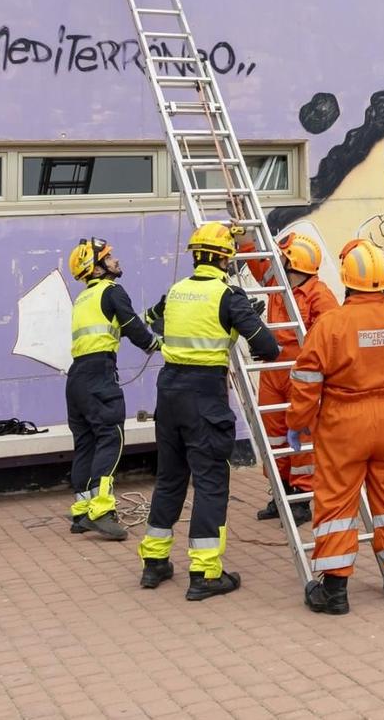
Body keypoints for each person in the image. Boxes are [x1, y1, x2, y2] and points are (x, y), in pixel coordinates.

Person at [288, 240, 384, 616]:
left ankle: (334, 592)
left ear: (346, 279)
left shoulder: (331, 324)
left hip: (344, 422)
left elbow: (306, 379)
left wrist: (299, 423)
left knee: (337, 502)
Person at [139, 222, 281, 600]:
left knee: (170, 478)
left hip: (168, 392)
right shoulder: (229, 296)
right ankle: (204, 573)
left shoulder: (176, 291)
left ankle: (154, 563)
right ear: (225, 259)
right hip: (204, 394)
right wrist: (241, 320)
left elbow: (152, 321)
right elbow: (268, 347)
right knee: (210, 482)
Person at [64, 237, 162, 539]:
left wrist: (156, 313)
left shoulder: (85, 298)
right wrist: (155, 344)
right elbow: (132, 327)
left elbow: (119, 323)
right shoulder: (112, 290)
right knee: (110, 437)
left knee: (86, 443)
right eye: (108, 257)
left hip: (77, 378)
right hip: (99, 376)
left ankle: (82, 511)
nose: (115, 260)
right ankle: (102, 511)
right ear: (95, 269)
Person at [250, 230, 339, 522]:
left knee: (301, 437)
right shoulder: (278, 282)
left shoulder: (320, 295)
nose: (277, 262)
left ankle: (300, 499)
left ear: (293, 264)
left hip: (302, 376)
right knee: (273, 436)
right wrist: (244, 237)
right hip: (273, 373)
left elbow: (331, 337)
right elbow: (257, 263)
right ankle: (281, 492)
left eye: (282, 258)